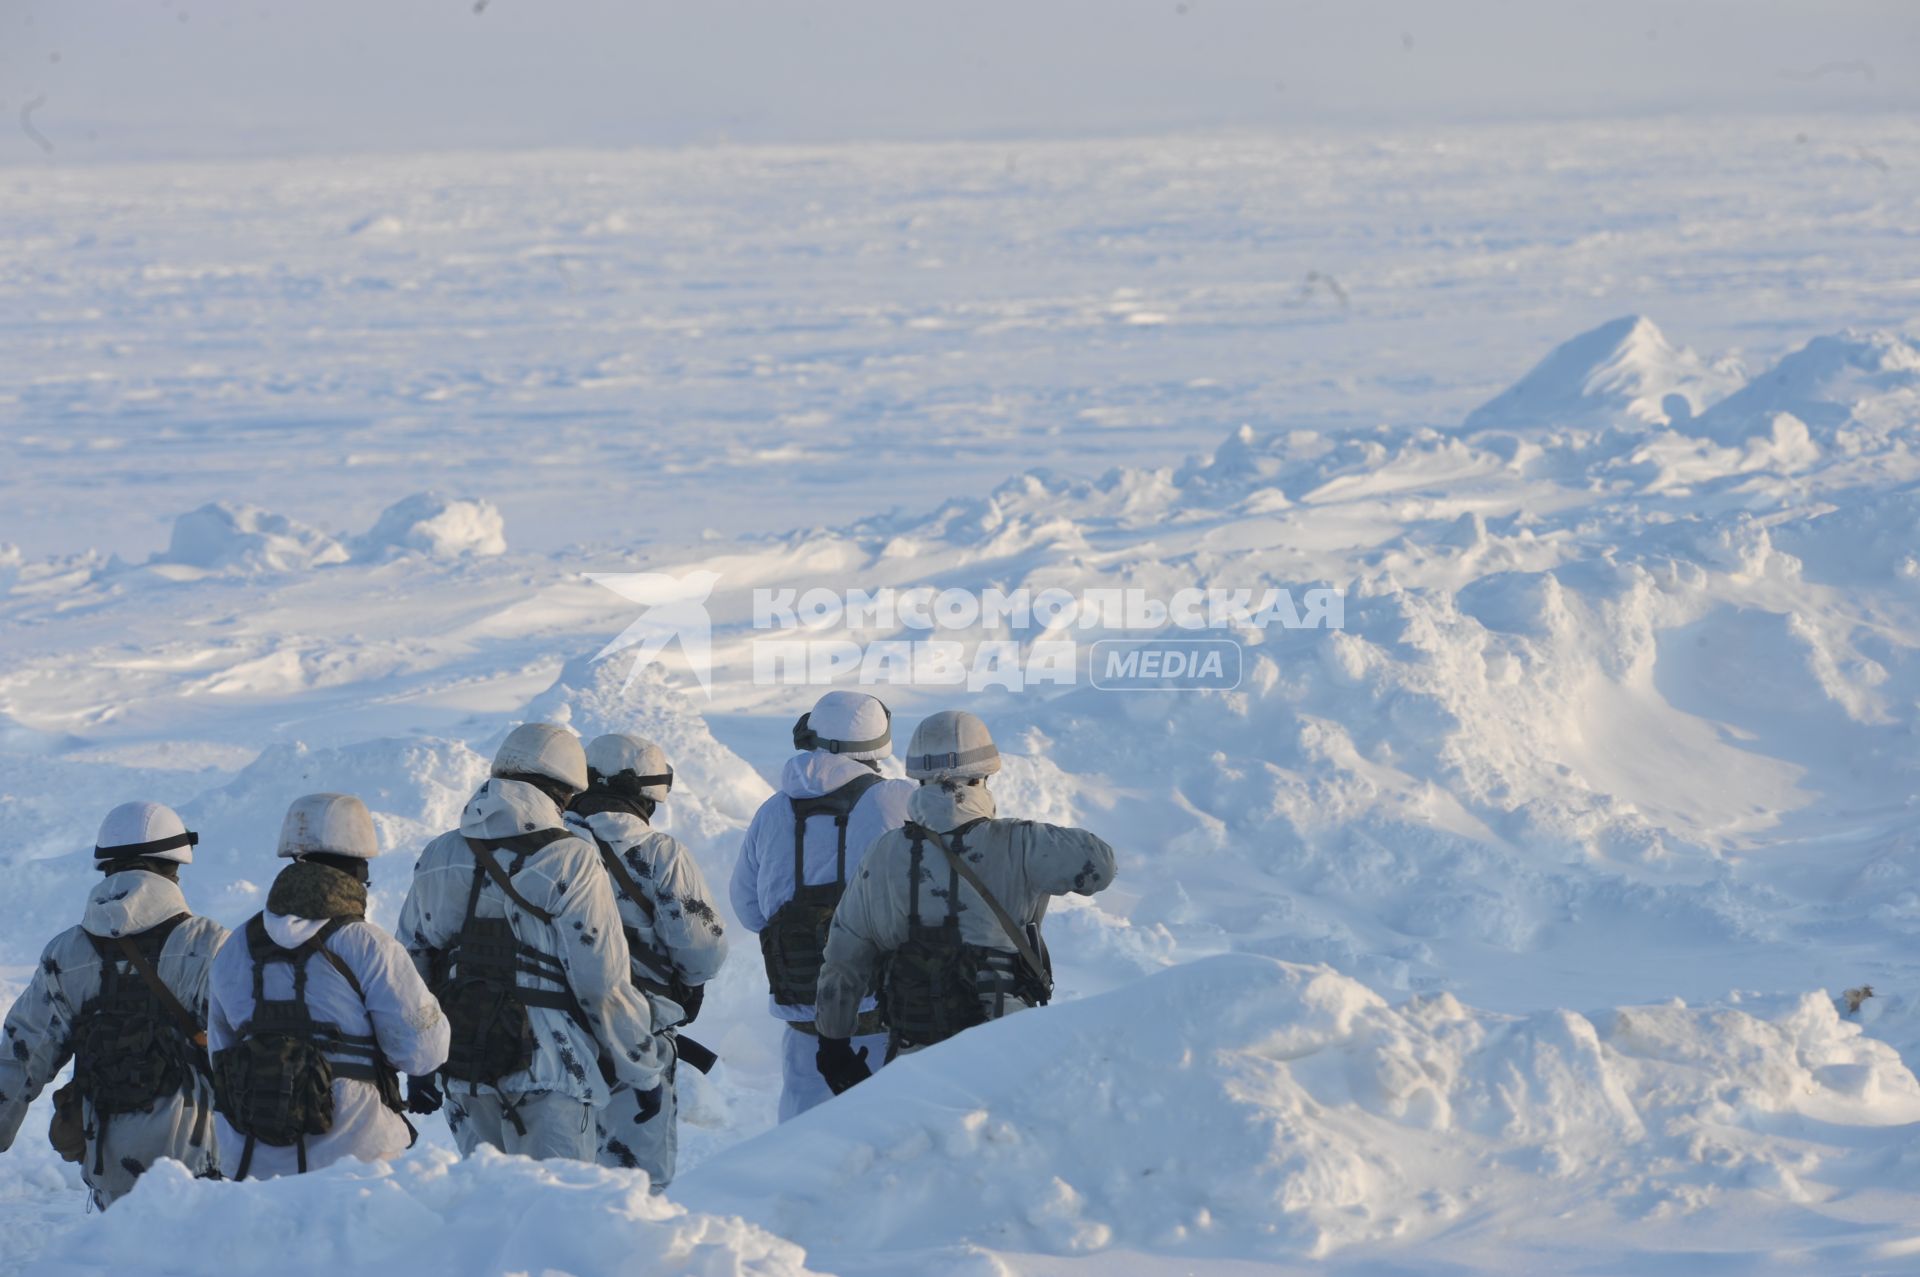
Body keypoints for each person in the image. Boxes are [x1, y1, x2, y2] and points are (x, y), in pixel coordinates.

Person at [400, 723, 673, 1161]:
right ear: (561, 792)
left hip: (464, 1065)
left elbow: (411, 965)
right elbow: (602, 983)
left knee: (485, 1213)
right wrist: (641, 1072)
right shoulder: (571, 858)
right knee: (556, 1212)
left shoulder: (440, 853)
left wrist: (421, 1062)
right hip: (549, 1068)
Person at [814, 710, 1118, 1092]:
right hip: (1007, 1057)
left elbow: (844, 957)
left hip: (914, 1059)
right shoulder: (1020, 843)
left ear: (917, 776)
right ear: (985, 774)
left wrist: (833, 1043)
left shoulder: (884, 854)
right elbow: (1101, 866)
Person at [207, 793, 447, 1181]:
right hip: (358, 1163)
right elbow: (424, 1052)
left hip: (251, 1168)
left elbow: (219, 1056)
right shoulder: (368, 944)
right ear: (356, 874)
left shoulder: (234, 948)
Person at [0, 802, 228, 1208]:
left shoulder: (66, 953)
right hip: (202, 1171)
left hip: (109, 1168)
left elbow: (21, 1056)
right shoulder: (208, 945)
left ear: (106, 868)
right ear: (175, 866)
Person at [731, 690, 912, 1120]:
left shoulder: (772, 811)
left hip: (803, 1014)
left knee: (801, 1146)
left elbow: (748, 909)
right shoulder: (897, 800)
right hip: (881, 1014)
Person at [564, 733, 728, 1188]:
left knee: (554, 1179)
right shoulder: (659, 854)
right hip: (635, 1030)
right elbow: (702, 947)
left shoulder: (548, 845)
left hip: (550, 1034)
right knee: (636, 1184)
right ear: (649, 798)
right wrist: (688, 987)